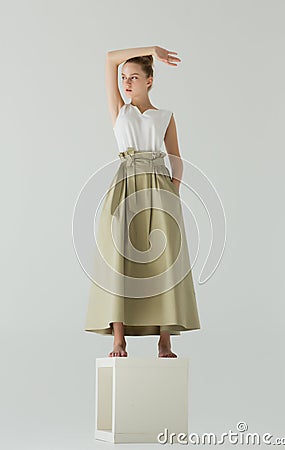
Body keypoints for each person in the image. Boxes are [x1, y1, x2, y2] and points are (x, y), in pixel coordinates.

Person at [85, 46, 201, 358]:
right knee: (117, 261)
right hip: (124, 188)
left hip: (159, 189)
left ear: (149, 81)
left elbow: (176, 159)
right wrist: (151, 49)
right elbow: (109, 57)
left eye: (134, 77)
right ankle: (118, 340)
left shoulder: (165, 117)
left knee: (164, 262)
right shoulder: (119, 111)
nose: (126, 82)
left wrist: (173, 192)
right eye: (124, 77)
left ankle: (165, 340)